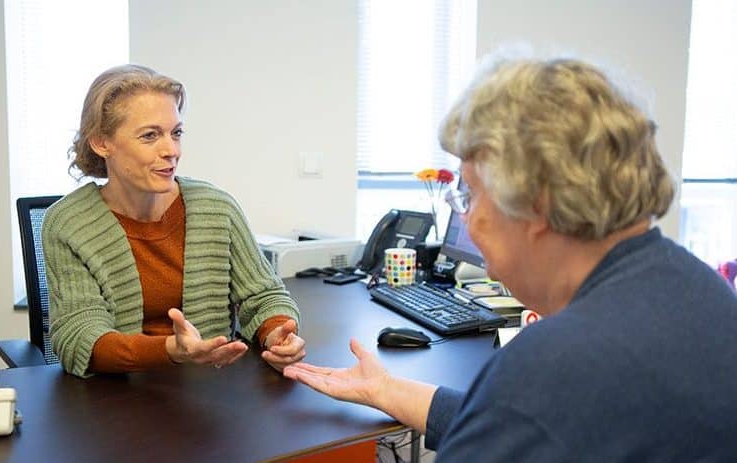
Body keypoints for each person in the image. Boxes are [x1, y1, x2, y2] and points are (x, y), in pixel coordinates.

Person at [284, 54, 737, 460]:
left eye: (469, 193)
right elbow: (533, 422)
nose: (463, 211)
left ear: (535, 203)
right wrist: (386, 390)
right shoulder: (700, 289)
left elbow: (528, 413)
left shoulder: (553, 367)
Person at [43, 64, 306, 378]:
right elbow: (79, 336)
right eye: (150, 135)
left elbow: (263, 296)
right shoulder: (69, 223)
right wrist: (172, 351)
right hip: (114, 400)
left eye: (176, 133)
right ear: (101, 142)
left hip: (210, 393)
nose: (172, 150)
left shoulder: (217, 208)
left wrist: (277, 335)